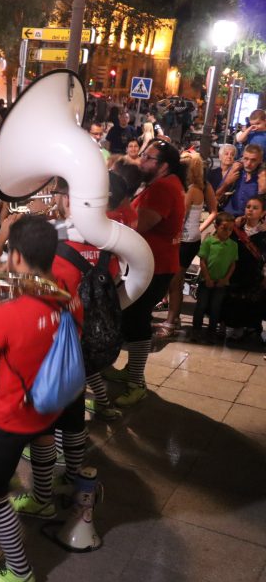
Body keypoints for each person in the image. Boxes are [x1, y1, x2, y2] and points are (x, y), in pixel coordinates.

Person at [0, 216, 82, 582]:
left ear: (15, 257)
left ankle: (18, 570)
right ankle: (42, 499)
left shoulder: (12, 314)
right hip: (49, 401)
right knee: (44, 438)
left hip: (12, 415)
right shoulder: (64, 291)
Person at [104, 141, 185, 406]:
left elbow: (139, 225)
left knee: (136, 322)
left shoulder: (162, 187)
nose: (141, 161)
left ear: (164, 166)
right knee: (131, 319)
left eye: (148, 158)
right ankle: (131, 371)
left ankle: (136, 381)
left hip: (153, 267)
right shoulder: (162, 184)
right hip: (151, 265)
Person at [155, 152, 217, 338]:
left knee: (175, 282)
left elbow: (178, 217)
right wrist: (199, 228)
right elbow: (213, 210)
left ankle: (171, 321)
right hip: (191, 239)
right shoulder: (202, 186)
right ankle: (174, 318)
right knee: (176, 280)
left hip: (184, 241)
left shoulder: (191, 190)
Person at [190, 213, 238, 343]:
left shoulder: (233, 245)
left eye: (230, 229)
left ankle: (212, 331)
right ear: (216, 226)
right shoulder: (209, 242)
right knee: (201, 305)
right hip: (206, 281)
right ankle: (196, 329)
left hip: (221, 283)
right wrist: (207, 278)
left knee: (216, 307)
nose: (227, 232)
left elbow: (233, 264)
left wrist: (225, 279)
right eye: (224, 228)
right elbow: (203, 261)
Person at [218, 144, 264, 215]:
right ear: (242, 157)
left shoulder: (262, 176)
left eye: (253, 160)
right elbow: (217, 195)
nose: (248, 163)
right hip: (227, 216)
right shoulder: (236, 170)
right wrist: (227, 182)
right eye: (246, 159)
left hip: (249, 220)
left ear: (260, 160)